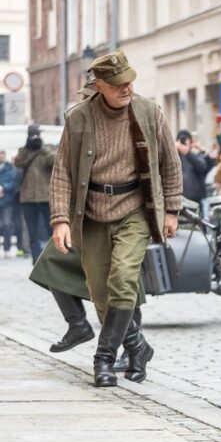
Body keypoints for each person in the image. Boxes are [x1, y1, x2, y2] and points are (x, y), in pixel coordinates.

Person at [50, 48, 182, 387]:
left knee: (123, 279)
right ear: (100, 85)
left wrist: (172, 209)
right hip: (91, 212)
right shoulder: (79, 117)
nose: (127, 89)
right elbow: (62, 172)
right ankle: (138, 347)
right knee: (99, 293)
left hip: (135, 208)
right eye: (118, 84)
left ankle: (104, 359)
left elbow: (170, 162)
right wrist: (60, 219)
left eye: (130, 82)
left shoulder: (149, 111)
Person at [15, 124, 57, 262]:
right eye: (32, 134)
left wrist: (42, 148)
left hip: (45, 197)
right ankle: (37, 259)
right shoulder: (24, 150)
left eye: (37, 134)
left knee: (52, 231)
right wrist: (28, 147)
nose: (35, 137)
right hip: (28, 199)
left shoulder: (48, 148)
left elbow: (56, 160)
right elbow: (18, 162)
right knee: (32, 233)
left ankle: (53, 258)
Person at [177, 130, 216, 205]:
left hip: (196, 198)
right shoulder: (174, 155)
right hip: (180, 198)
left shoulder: (195, 154)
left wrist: (188, 152)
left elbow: (203, 167)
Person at [0, 149, 20, 257]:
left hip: (7, 201)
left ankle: (6, 248)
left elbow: (14, 182)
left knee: (7, 224)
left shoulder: (10, 168)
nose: (0, 156)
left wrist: (3, 188)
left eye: (2, 153)